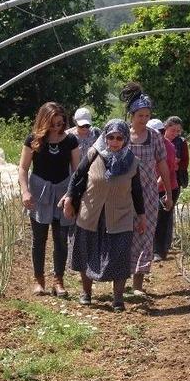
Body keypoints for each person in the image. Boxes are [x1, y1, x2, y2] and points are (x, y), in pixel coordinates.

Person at [62, 119, 146, 312]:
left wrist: (141, 216)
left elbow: (137, 191)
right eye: (110, 137)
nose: (114, 142)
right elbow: (78, 177)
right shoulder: (94, 153)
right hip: (91, 212)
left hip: (120, 216)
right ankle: (86, 293)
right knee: (86, 251)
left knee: (120, 255)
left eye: (119, 138)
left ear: (125, 139)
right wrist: (69, 199)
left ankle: (118, 299)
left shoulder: (132, 162)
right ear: (105, 137)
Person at [17, 102, 80, 297]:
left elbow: (77, 171)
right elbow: (23, 168)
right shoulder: (33, 140)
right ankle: (38, 279)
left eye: (60, 123)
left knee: (61, 238)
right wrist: (25, 191)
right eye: (53, 124)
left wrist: (72, 195)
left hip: (62, 192)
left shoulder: (71, 141)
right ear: (44, 121)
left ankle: (58, 280)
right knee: (39, 238)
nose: (57, 127)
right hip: (39, 192)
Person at [119, 82, 174, 295]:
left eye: (146, 115)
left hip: (148, 193)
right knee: (123, 234)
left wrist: (167, 193)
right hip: (124, 194)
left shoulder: (155, 137)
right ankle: (120, 282)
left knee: (144, 234)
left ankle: (138, 284)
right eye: (140, 115)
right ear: (132, 115)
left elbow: (163, 165)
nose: (143, 119)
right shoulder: (121, 136)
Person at [153, 119, 179, 261]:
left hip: (167, 188)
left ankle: (159, 251)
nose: (159, 135)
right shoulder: (144, 145)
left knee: (162, 220)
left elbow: (167, 170)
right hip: (150, 188)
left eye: (161, 132)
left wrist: (154, 187)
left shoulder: (168, 147)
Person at [165, 116, 190, 191]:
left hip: (175, 178)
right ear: (166, 127)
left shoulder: (182, 142)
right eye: (173, 130)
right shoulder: (159, 139)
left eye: (178, 131)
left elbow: (185, 161)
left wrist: (177, 167)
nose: (175, 133)